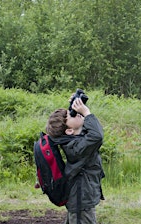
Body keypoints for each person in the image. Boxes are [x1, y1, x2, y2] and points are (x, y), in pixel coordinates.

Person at [46, 93, 105, 224]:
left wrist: (79, 104)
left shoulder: (75, 140)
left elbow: (88, 129)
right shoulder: (76, 147)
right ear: (69, 131)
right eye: (70, 115)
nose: (76, 113)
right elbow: (97, 136)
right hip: (80, 198)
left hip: (80, 196)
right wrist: (86, 112)